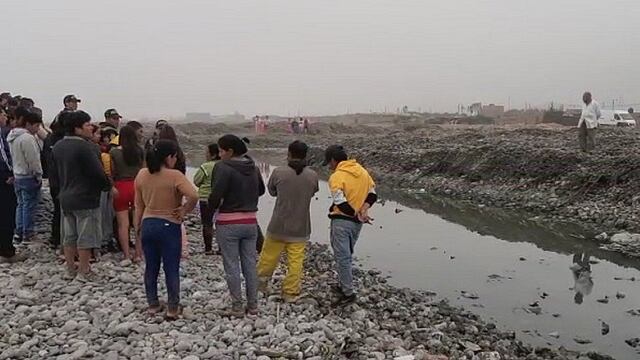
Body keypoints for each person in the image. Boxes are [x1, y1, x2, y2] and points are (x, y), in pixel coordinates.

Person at [134, 139, 198, 319]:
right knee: (171, 268)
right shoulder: (174, 175)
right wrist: (185, 210)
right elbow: (193, 194)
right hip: (169, 224)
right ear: (169, 157)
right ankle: (172, 308)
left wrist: (137, 227)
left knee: (151, 267)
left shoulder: (141, 174)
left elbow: (138, 205)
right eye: (175, 157)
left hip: (148, 223)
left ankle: (153, 304)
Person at [208, 134, 265, 316]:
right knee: (250, 264)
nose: (219, 154)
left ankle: (237, 307)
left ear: (230, 151)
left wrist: (211, 210)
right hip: (250, 222)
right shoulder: (253, 167)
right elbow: (261, 190)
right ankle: (253, 305)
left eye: (221, 150)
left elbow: (215, 196)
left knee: (232, 265)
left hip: (228, 222)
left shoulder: (222, 167)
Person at [257, 141, 319, 303]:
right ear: (306, 155)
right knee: (295, 261)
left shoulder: (278, 172)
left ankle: (260, 285)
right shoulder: (312, 175)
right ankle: (290, 292)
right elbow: (312, 192)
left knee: (268, 257)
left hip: (278, 224)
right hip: (301, 226)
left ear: (289, 154)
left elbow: (271, 192)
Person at [51, 111, 110, 280]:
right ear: (77, 128)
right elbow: (97, 172)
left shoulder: (58, 146)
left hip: (65, 196)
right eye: (87, 124)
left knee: (69, 235)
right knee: (86, 234)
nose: (91, 127)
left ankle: (70, 268)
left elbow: (53, 174)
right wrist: (106, 186)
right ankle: (84, 270)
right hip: (85, 197)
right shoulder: (85, 146)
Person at [323, 145, 377, 306]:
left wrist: (355, 213)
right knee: (347, 255)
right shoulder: (361, 171)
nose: (329, 166)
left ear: (333, 160)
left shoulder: (337, 176)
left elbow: (340, 201)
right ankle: (342, 284)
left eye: (329, 163)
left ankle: (347, 293)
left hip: (341, 222)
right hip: (357, 224)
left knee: (342, 257)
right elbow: (373, 194)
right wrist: (363, 210)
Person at [7, 108, 44, 245]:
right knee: (29, 205)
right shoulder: (27, 138)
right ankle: (28, 233)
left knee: (21, 205)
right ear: (28, 124)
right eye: (36, 126)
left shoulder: (12, 136)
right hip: (28, 176)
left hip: (18, 174)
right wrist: (38, 174)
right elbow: (33, 159)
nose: (37, 129)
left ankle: (19, 231)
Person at [111, 126, 144, 261]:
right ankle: (138, 254)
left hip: (120, 187)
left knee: (122, 224)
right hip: (136, 186)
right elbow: (144, 169)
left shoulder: (114, 152)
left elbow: (112, 171)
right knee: (138, 223)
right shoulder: (140, 151)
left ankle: (126, 254)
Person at [0, 107, 26, 263]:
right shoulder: (2, 132)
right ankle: (6, 251)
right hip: (3, 179)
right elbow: (3, 156)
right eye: (3, 114)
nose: (5, 117)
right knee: (7, 214)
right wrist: (11, 173)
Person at [193, 143, 220, 255]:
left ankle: (208, 248)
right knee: (220, 224)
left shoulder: (205, 167)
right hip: (221, 198)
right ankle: (221, 248)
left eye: (207, 153)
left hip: (205, 198)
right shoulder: (224, 165)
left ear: (213, 155)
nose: (205, 155)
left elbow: (197, 181)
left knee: (207, 223)